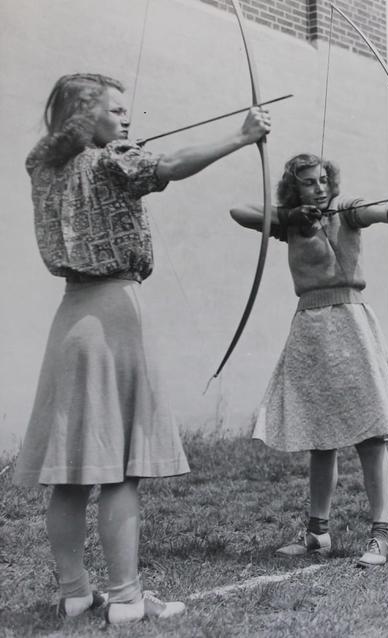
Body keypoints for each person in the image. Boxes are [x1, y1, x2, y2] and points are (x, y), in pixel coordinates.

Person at [13, 73, 271, 624]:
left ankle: (75, 594)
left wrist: (110, 141)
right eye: (115, 110)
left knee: (71, 472)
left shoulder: (44, 165)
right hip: (114, 315)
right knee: (120, 470)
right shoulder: (112, 161)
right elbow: (170, 165)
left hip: (71, 318)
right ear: (84, 116)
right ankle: (127, 599)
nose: (127, 118)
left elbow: (86, 157)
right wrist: (242, 136)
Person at [230, 153, 388, 566]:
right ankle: (317, 533)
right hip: (309, 329)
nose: (320, 187)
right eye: (309, 182)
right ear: (295, 189)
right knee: (319, 437)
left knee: (371, 434)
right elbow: (239, 211)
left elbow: (380, 212)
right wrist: (290, 216)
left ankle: (380, 535)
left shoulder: (346, 210)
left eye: (324, 179)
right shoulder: (293, 224)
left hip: (350, 323)